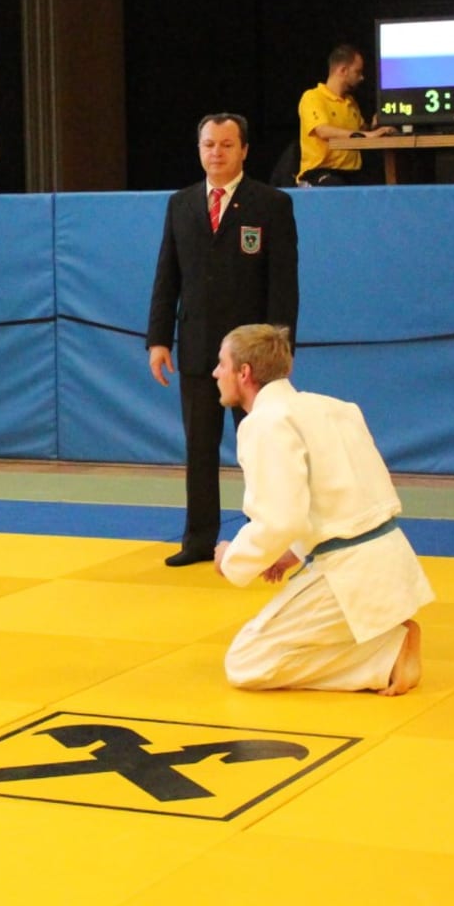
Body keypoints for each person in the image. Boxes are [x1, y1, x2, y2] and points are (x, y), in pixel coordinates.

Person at [211, 324, 431, 695]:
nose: (216, 372)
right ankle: (381, 642)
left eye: (221, 363)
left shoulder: (265, 423)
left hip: (348, 573)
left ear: (244, 372)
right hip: (391, 560)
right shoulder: (335, 408)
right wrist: (293, 552)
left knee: (246, 662)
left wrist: (231, 558)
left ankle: (386, 654)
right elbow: (347, 494)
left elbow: (280, 519)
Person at [147, 113, 299, 567]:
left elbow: (284, 284)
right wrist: (159, 339)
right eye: (209, 144)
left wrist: (280, 348)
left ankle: (266, 540)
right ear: (199, 150)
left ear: (244, 150)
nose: (217, 152)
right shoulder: (181, 204)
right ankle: (198, 540)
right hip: (198, 348)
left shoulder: (270, 204)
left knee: (260, 450)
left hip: (252, 357)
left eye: (227, 144)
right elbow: (167, 276)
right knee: (199, 448)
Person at [296, 43, 395, 185]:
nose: (362, 77)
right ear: (343, 70)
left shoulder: (351, 102)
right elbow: (323, 131)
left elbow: (361, 132)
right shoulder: (312, 97)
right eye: (357, 72)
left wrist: (375, 127)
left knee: (377, 185)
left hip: (351, 172)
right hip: (319, 171)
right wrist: (367, 135)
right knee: (334, 185)